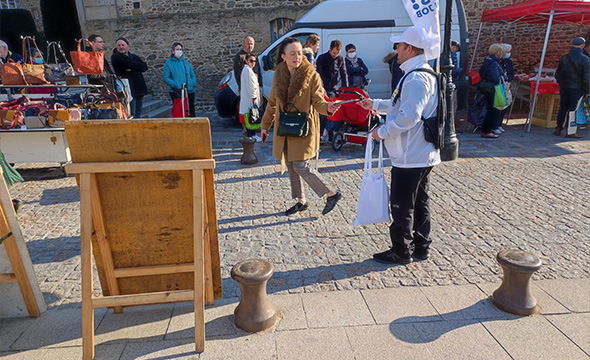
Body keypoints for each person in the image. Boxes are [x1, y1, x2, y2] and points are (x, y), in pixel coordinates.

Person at [358, 26, 440, 265]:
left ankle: (401, 251)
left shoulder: (416, 77)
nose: (396, 50)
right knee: (419, 201)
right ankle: (421, 247)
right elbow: (400, 105)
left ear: (410, 49)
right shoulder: (418, 73)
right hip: (419, 152)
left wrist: (380, 133)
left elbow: (408, 117)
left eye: (399, 46)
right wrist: (374, 103)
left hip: (411, 153)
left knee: (402, 205)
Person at [260, 37, 342, 216]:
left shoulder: (311, 75)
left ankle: (332, 193)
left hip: (304, 128)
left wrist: (327, 107)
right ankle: (301, 200)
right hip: (285, 128)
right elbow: (272, 103)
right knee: (290, 163)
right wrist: (265, 125)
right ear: (283, 56)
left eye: (299, 53)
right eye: (292, 54)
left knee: (300, 165)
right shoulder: (278, 74)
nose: (297, 57)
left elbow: (319, 101)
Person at [554, 37, 590, 138]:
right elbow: (587, 77)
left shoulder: (564, 57)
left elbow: (557, 74)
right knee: (573, 109)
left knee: (563, 107)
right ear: (583, 46)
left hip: (564, 86)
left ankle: (558, 128)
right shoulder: (584, 59)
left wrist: (561, 83)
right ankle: (570, 131)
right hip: (577, 87)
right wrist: (588, 90)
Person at [316, 40, 348, 140]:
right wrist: (322, 89)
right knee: (322, 114)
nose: (335, 55)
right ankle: (320, 136)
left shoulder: (341, 59)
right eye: (334, 53)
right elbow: (318, 75)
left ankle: (331, 137)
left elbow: (344, 74)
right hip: (323, 89)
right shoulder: (322, 58)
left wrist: (345, 90)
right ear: (330, 49)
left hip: (334, 89)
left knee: (334, 114)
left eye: (337, 53)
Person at [111, 37, 148, 118]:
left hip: (139, 87)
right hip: (129, 87)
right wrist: (136, 67)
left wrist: (132, 67)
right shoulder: (116, 57)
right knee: (132, 112)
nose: (121, 47)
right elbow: (124, 64)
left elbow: (144, 67)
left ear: (127, 46)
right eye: (119, 45)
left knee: (139, 111)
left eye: (123, 45)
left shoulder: (134, 56)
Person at [477, 43, 506, 138]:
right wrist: (503, 77)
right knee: (492, 110)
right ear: (497, 52)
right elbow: (495, 77)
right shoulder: (493, 63)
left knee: (490, 109)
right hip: (492, 89)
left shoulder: (487, 61)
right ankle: (487, 130)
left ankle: (486, 130)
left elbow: (481, 73)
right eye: (501, 52)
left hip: (486, 87)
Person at [163, 42, 197, 117]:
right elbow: (165, 77)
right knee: (180, 110)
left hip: (189, 90)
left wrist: (193, 83)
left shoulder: (186, 62)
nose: (179, 51)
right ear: (173, 51)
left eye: (180, 49)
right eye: (177, 49)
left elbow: (192, 74)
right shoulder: (169, 63)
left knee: (191, 109)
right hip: (177, 90)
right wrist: (175, 85)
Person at [239, 52, 262, 141]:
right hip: (250, 99)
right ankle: (252, 135)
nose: (253, 63)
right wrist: (254, 98)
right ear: (246, 61)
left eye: (255, 61)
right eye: (251, 60)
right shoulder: (248, 70)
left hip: (248, 98)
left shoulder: (247, 70)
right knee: (251, 116)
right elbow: (251, 85)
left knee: (251, 116)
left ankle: (252, 134)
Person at [497, 43, 515, 134]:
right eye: (507, 52)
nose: (509, 53)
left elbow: (512, 73)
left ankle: (500, 124)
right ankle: (496, 124)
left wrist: (508, 78)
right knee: (498, 105)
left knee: (505, 105)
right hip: (499, 85)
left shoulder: (509, 62)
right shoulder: (497, 61)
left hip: (506, 85)